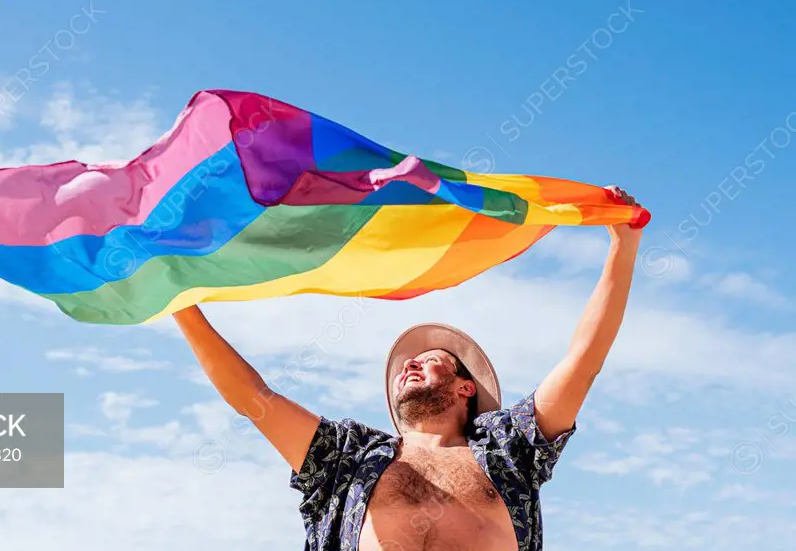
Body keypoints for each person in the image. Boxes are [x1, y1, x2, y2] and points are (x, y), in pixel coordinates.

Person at [173, 186, 643, 551]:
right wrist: (179, 300)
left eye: (431, 360)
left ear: (465, 387)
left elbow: (584, 362)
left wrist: (624, 244)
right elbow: (253, 398)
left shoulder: (510, 449)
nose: (411, 364)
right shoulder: (346, 457)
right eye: (408, 362)